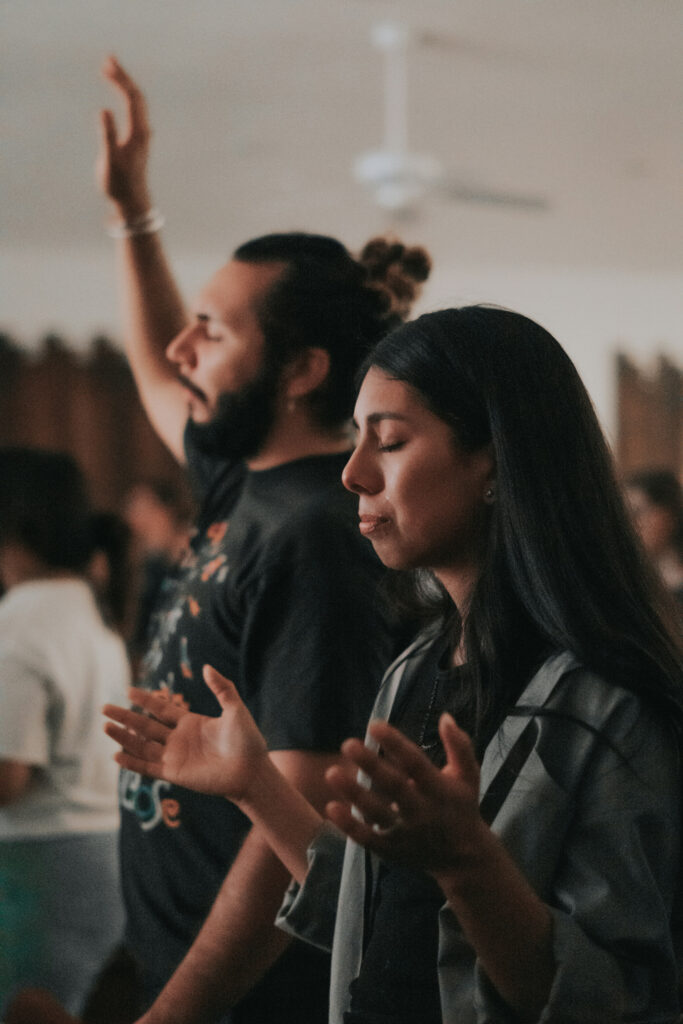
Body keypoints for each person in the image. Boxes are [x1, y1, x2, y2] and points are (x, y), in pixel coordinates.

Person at [106, 306, 683, 1023]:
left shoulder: (609, 705)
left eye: (390, 442)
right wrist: (253, 784)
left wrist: (469, 863)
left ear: (494, 462)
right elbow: (372, 916)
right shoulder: (414, 669)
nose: (351, 474)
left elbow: (616, 999)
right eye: (355, 440)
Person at [97, 56, 431, 1023]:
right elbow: (162, 369)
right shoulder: (244, 480)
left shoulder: (318, 535)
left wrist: (182, 1009)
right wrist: (132, 215)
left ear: (298, 371)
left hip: (250, 1002)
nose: (179, 348)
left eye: (211, 330)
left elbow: (308, 797)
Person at [0, 448, 129, 1016]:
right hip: (106, 857)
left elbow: (9, 778)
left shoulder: (22, 618)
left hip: (38, 871)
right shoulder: (91, 610)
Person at [626, 468, 683, 613]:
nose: (632, 524)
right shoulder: (630, 582)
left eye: (637, 512)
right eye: (626, 516)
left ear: (670, 513)